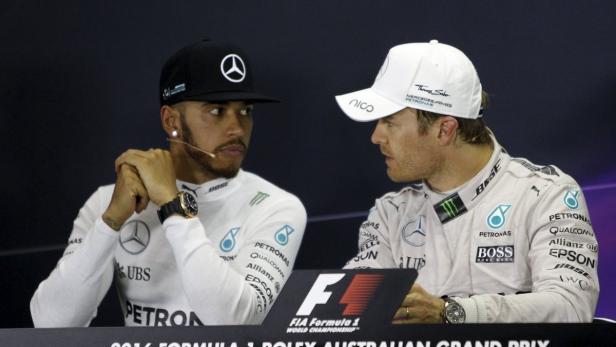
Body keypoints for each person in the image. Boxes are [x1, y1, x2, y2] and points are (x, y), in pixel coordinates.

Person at [30, 39, 307, 327]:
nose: (237, 127)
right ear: (170, 120)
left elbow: (237, 322)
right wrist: (110, 222)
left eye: (246, 111)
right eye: (216, 111)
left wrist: (173, 205)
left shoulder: (277, 207)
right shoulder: (107, 201)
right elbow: (51, 323)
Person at [335, 40, 598, 323]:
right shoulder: (390, 214)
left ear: (445, 129)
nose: (376, 137)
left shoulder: (545, 195)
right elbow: (354, 316)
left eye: (390, 122)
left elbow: (570, 306)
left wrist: (451, 313)